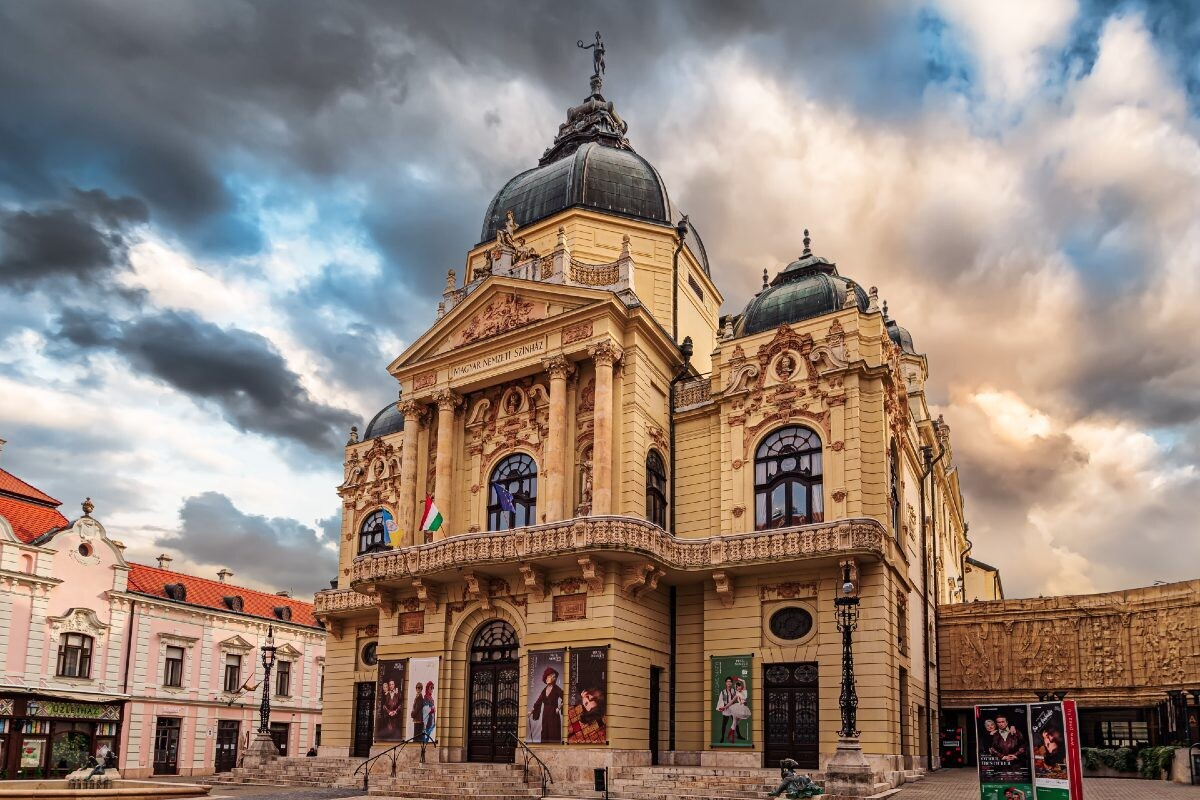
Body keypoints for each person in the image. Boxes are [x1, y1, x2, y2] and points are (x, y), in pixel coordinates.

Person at [530, 667, 564, 743]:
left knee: (553, 732)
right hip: (545, 714)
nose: (547, 679)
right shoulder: (544, 690)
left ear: (553, 678)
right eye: (546, 677)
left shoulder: (556, 689)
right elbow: (538, 702)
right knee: (545, 732)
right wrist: (531, 712)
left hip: (553, 714)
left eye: (549, 677)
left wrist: (558, 708)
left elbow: (565, 698)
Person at [716, 676, 751, 742]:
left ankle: (739, 735)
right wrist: (722, 707)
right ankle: (722, 737)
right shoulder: (723, 692)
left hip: (734, 708)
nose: (729, 683)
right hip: (726, 708)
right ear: (725, 683)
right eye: (727, 682)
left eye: (730, 682)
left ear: (732, 683)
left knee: (736, 723)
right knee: (724, 723)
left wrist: (743, 702)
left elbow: (739, 697)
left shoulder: (735, 691)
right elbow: (720, 700)